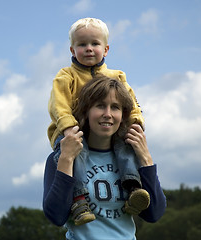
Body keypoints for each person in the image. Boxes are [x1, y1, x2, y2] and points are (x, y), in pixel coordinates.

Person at [47, 17, 149, 225]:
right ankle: (79, 199)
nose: (89, 49)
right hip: (74, 133)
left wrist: (136, 122)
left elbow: (131, 103)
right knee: (77, 154)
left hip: (108, 135)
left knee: (126, 147)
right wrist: (68, 128)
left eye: (95, 44)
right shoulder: (66, 76)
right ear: (72, 50)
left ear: (106, 49)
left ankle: (133, 189)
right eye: (82, 45)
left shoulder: (117, 77)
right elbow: (59, 106)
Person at [43, 75, 166, 239]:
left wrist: (146, 159)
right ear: (86, 111)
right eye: (100, 106)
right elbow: (56, 216)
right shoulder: (61, 158)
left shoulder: (131, 159)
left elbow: (154, 214)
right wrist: (66, 159)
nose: (108, 114)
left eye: (115, 107)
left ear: (123, 115)